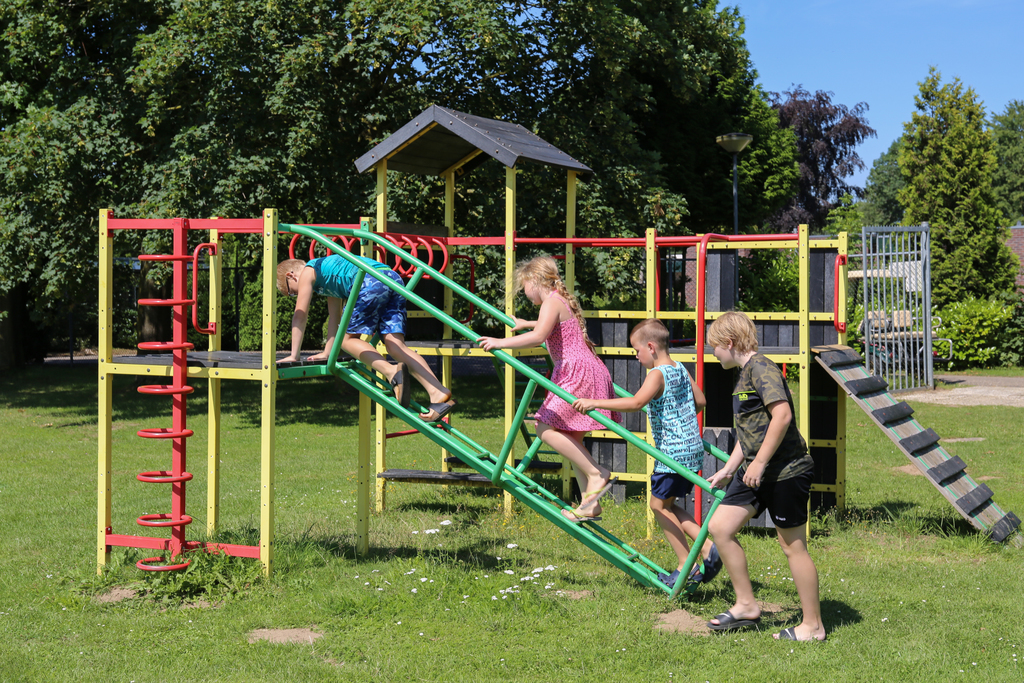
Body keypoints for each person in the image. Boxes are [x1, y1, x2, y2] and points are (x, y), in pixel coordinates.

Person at [571, 318, 723, 592]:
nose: (637, 356)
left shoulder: (657, 374)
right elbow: (700, 401)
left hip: (671, 453)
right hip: (691, 450)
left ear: (651, 347)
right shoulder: (680, 368)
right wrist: (679, 416)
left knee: (656, 506)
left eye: (637, 351)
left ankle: (683, 566)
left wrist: (595, 402)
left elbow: (636, 402)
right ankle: (709, 548)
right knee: (668, 506)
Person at [703, 311, 826, 642]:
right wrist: (731, 469)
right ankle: (745, 605)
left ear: (729, 343)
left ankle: (813, 626)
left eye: (715, 347)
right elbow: (751, 432)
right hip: (755, 471)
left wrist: (759, 464)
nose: (713, 353)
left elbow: (782, 415)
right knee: (720, 527)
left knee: (792, 546)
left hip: (786, 470)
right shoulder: (742, 375)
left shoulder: (761, 367)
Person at [477, 256, 620, 523]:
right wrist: (526, 324)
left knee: (543, 426)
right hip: (587, 369)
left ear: (535, 281)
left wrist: (500, 341)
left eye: (524, 287)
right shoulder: (558, 300)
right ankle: (590, 503)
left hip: (576, 372)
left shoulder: (552, 301)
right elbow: (552, 327)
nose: (525, 293)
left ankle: (597, 473)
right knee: (572, 439)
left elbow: (539, 336)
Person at [276, 253, 455, 422]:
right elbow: (335, 317)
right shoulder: (326, 275)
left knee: (346, 340)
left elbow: (300, 315)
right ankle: (437, 392)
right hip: (390, 278)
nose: (295, 295)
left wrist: (294, 355)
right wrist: (327, 353)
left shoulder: (309, 271)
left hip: (370, 281)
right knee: (395, 345)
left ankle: (392, 372)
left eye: (291, 292)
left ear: (291, 276)